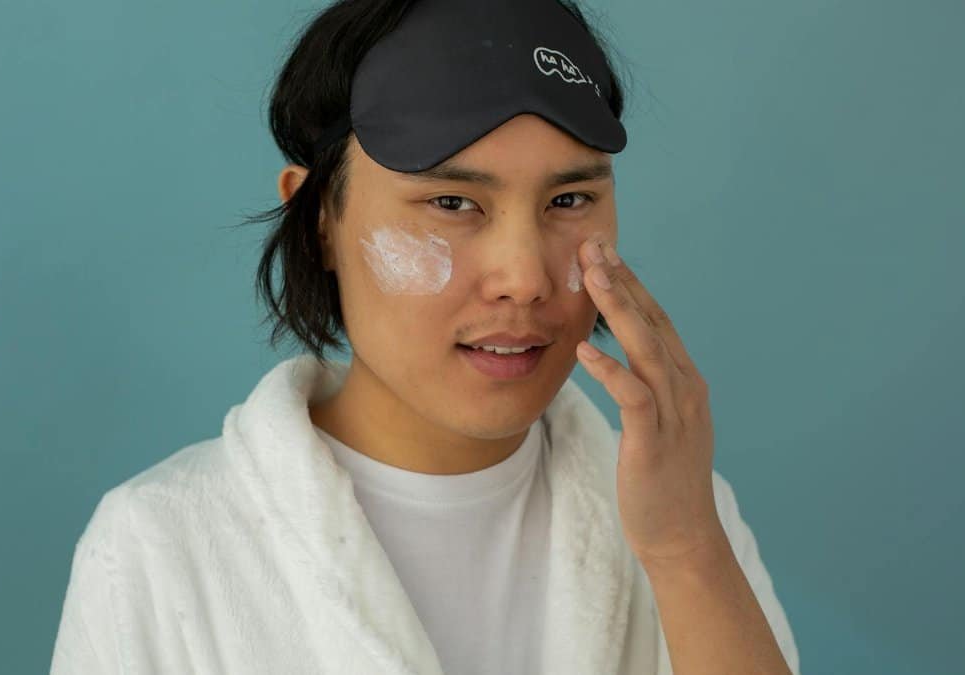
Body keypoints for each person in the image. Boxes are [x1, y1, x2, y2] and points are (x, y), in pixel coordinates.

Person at [50, 1, 801, 673]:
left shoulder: (685, 514)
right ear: (318, 221)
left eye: (569, 199)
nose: (524, 278)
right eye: (451, 202)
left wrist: (686, 552)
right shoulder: (158, 545)